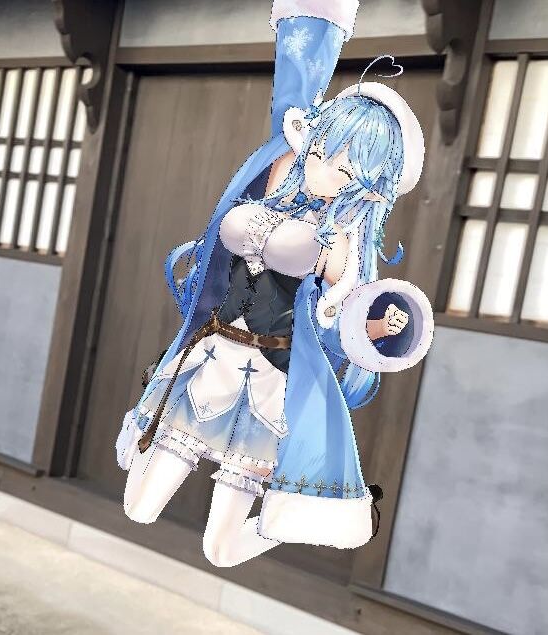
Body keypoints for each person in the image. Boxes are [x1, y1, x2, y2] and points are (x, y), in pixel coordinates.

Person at [115, 0, 434, 567]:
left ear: (368, 185)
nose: (321, 168)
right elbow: (286, 117)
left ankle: (297, 519)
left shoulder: (340, 244)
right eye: (321, 151)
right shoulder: (277, 188)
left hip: (268, 386)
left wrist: (374, 324)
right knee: (138, 506)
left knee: (220, 549)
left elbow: (341, 316)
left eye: (343, 167)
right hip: (212, 362)